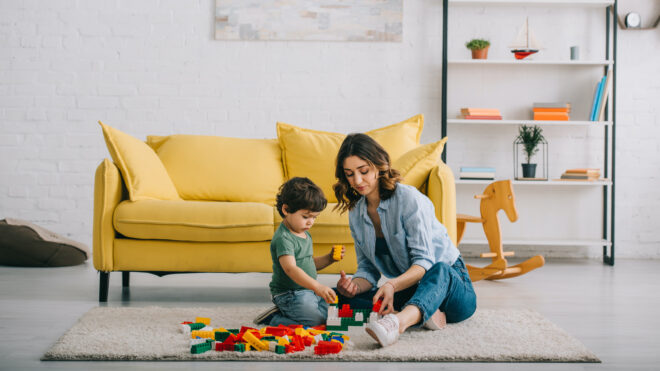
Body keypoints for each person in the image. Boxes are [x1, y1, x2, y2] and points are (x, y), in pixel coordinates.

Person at [332, 133, 476, 347]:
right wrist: (352, 287)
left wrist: (391, 284)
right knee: (337, 297)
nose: (358, 181)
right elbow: (367, 271)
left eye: (364, 171)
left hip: (451, 286)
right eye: (350, 174)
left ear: (379, 166)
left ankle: (397, 323)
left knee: (439, 269)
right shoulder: (356, 214)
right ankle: (424, 313)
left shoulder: (409, 199)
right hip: (411, 289)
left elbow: (424, 263)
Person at [253, 177, 345, 327]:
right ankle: (274, 319)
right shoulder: (284, 238)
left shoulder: (304, 232)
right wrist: (317, 286)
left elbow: (308, 264)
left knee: (329, 314)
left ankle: (295, 313)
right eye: (305, 217)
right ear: (286, 210)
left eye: (314, 217)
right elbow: (291, 269)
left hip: (307, 290)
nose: (310, 222)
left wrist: (330, 258)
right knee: (316, 322)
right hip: (289, 294)